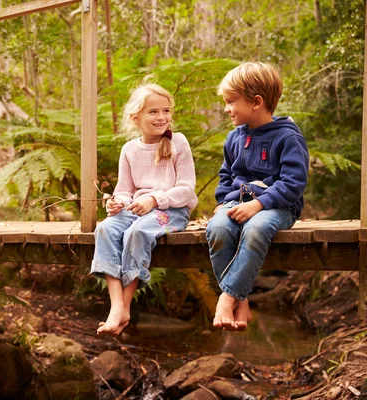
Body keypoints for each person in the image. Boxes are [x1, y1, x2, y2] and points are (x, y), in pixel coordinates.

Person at [206, 62, 309, 331]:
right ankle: (242, 301)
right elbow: (226, 175)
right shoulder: (234, 138)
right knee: (217, 228)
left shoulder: (288, 138)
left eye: (231, 102)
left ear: (256, 102)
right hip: (237, 202)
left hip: (279, 206)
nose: (226, 108)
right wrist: (221, 203)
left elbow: (294, 182)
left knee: (256, 228)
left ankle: (227, 297)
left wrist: (259, 204)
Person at [91, 83, 198, 336]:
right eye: (153, 112)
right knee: (105, 228)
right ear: (135, 117)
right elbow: (125, 190)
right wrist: (115, 201)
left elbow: (186, 190)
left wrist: (154, 199)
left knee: (136, 232)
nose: (161, 117)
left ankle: (124, 307)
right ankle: (116, 303)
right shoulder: (129, 150)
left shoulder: (178, 143)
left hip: (171, 210)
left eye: (166, 111)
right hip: (135, 208)